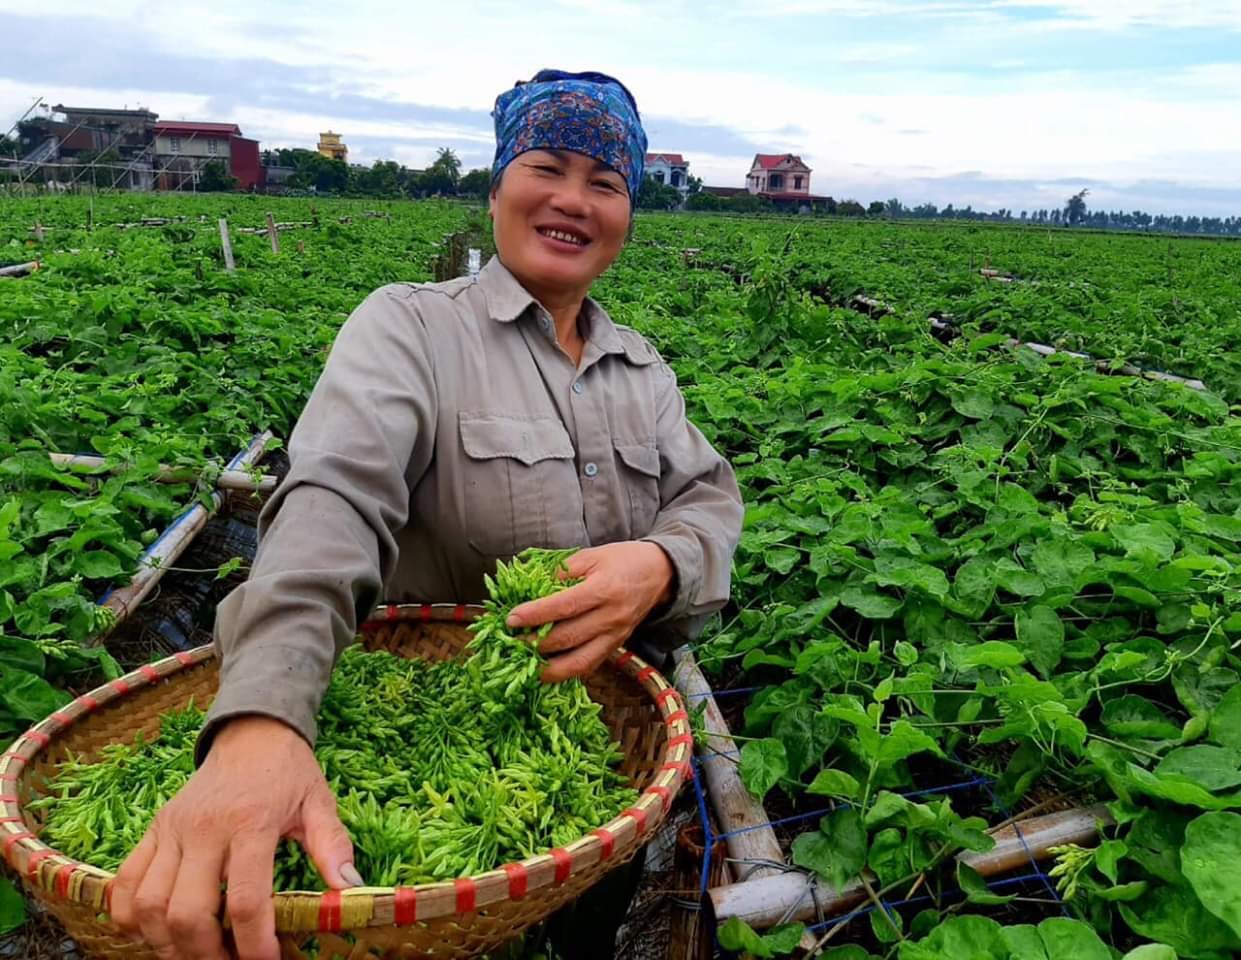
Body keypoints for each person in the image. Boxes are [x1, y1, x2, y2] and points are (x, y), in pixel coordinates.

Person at [111, 69, 743, 960]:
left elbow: (707, 501)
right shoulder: (408, 329)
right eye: (546, 167)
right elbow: (333, 498)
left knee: (586, 933)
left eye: (605, 183)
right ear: (495, 190)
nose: (573, 200)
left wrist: (663, 564)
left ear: (628, 213)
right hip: (437, 729)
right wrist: (263, 720)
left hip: (605, 765)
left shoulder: (641, 369)